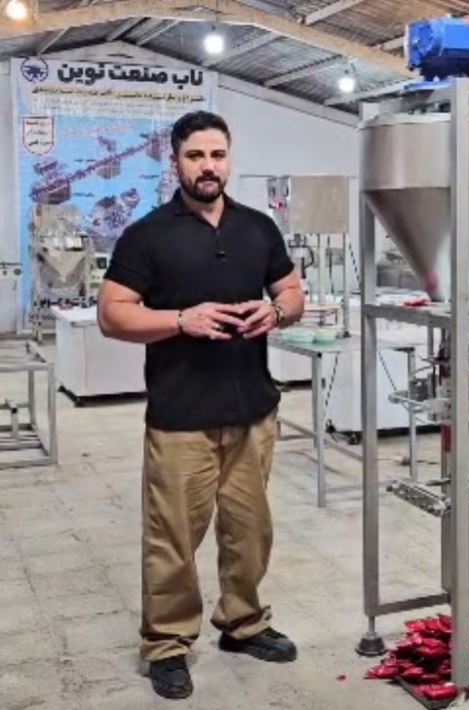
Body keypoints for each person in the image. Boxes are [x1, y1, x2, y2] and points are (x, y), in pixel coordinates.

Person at [98, 110, 305, 700]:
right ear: (176, 163)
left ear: (228, 159)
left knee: (250, 531)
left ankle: (244, 623)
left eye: (217, 155)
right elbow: (113, 314)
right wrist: (180, 320)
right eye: (195, 156)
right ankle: (167, 644)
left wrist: (277, 311)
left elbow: (292, 291)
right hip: (181, 416)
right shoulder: (147, 235)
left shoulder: (258, 228)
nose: (208, 167)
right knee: (174, 540)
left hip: (253, 411)